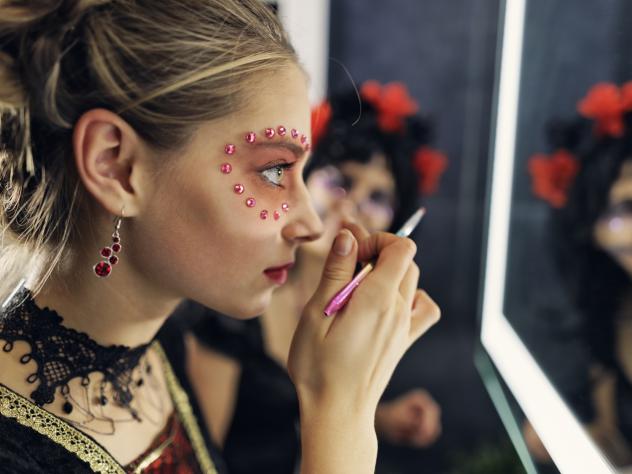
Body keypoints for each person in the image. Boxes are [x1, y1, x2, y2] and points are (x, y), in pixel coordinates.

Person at [0, 1, 441, 473]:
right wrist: (340, 412)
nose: (311, 224)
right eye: (274, 170)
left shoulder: (157, 349)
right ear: (117, 165)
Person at [181, 81, 448, 473]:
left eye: (378, 198)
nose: (351, 205)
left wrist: (379, 416)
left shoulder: (359, 317)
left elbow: (314, 407)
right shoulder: (236, 305)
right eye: (339, 180)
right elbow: (203, 460)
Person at [524, 81, 632, 466]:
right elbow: (614, 444)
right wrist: (565, 440)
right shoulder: (612, 314)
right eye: (626, 206)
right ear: (592, 229)